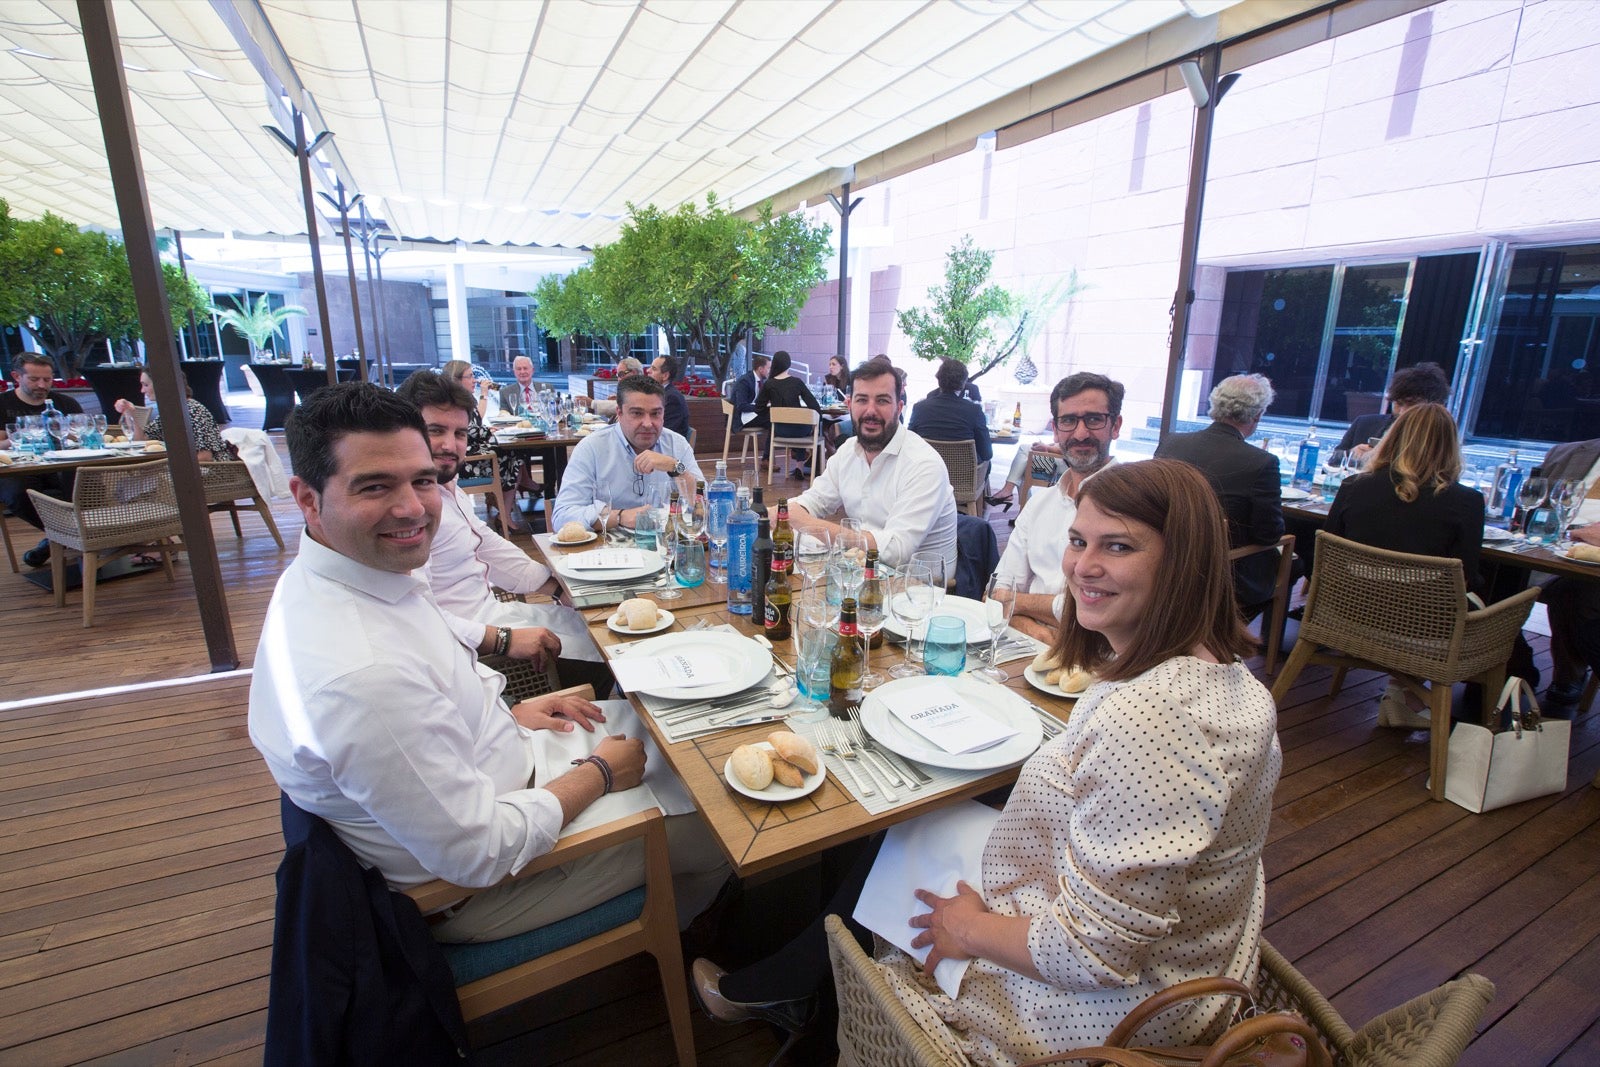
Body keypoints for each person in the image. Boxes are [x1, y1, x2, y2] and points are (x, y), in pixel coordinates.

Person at [693, 460, 1280, 1066]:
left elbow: (1096, 954)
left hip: (1109, 1015)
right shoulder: (1226, 678)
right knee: (903, 823)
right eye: (1078, 541)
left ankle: (812, 1003)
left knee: (894, 840)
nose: (1083, 567)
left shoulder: (1155, 718)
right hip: (1181, 944)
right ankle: (798, 985)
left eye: (1119, 547)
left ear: (1182, 562)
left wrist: (965, 928)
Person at [248, 382, 727, 943]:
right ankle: (677, 944)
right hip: (484, 886)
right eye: (374, 486)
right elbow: (478, 854)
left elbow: (424, 723)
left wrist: (511, 714)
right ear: (307, 498)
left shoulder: (356, 580)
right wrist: (599, 774)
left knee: (675, 721)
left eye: (422, 480)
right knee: (720, 815)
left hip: (503, 766)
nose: (411, 508)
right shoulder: (362, 677)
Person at [396, 371, 607, 678]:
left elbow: (489, 548)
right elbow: (417, 615)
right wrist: (502, 639)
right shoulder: (408, 513)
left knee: (594, 623)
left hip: (493, 612)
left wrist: (556, 588)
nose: (449, 445)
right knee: (602, 651)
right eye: (435, 431)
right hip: (472, 648)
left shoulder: (448, 487)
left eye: (458, 434)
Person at [1324, 403, 1488, 728]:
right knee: (1458, 600)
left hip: (1348, 612)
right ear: (1451, 446)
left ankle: (1402, 697)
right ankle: (1413, 697)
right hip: (1423, 626)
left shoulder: (1354, 486)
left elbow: (1329, 556)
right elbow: (1466, 578)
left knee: (1412, 592)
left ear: (1393, 437)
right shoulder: (1466, 501)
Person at [787, 361, 957, 573]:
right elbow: (814, 501)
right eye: (862, 400)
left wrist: (809, 525)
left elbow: (896, 550)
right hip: (861, 574)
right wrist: (772, 514)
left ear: (899, 408)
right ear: (849, 405)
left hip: (917, 589)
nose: (870, 411)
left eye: (882, 401)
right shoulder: (849, 450)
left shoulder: (923, 464)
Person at [993, 372, 1122, 641]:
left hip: (1097, 661)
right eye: (1069, 421)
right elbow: (997, 595)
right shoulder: (1039, 502)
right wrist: (1038, 632)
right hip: (1025, 642)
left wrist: (1019, 604)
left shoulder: (1132, 507)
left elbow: (1105, 613)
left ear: (1116, 426)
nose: (1081, 433)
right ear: (1055, 429)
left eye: (1094, 419)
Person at [1155, 373, 1286, 615]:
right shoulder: (1262, 462)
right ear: (1258, 414)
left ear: (1214, 404)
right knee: (1292, 561)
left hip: (1167, 562)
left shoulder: (1171, 443)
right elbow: (1268, 534)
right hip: (1222, 574)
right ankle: (1262, 643)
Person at [550, 375, 703, 532]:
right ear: (619, 413)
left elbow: (704, 506)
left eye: (656, 414)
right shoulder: (591, 448)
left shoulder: (676, 444)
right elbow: (562, 517)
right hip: (607, 550)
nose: (648, 423)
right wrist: (619, 517)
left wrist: (675, 467)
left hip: (665, 547)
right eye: (637, 413)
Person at [0, 354, 85, 566]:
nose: (42, 385)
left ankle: (59, 539)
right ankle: (69, 536)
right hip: (19, 469)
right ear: (16, 376)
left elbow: (81, 436)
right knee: (18, 492)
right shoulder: (3, 404)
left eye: (47, 380)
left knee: (88, 483)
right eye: (34, 379)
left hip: (62, 464)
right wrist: (21, 438)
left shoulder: (65, 403)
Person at [1334, 361, 1451, 462]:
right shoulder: (1364, 424)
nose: (1402, 411)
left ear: (1433, 406)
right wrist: (1350, 455)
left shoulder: (1439, 440)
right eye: (1398, 403)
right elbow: (1331, 462)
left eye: (1412, 405)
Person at [113, 370, 235, 460]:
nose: (142, 390)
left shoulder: (192, 410)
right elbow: (141, 440)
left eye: (146, 385)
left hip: (213, 474)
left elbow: (204, 457)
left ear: (162, 384)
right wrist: (129, 411)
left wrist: (168, 469)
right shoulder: (171, 411)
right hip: (191, 471)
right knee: (132, 487)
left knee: (137, 486)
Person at [908, 358, 992, 465]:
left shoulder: (919, 408)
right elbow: (987, 454)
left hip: (927, 473)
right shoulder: (974, 411)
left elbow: (910, 444)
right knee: (988, 463)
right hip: (964, 477)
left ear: (938, 379)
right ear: (963, 383)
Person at [754, 350, 824, 478]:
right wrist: (818, 421)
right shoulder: (797, 382)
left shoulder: (768, 384)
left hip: (780, 430)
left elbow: (758, 408)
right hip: (800, 431)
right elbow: (814, 405)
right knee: (804, 421)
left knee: (796, 422)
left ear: (774, 364)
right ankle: (800, 467)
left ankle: (795, 459)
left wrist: (772, 416)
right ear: (789, 365)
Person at [648, 354, 691, 439]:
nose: (648, 371)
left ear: (665, 376)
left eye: (653, 369)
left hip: (667, 448)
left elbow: (663, 432)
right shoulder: (661, 394)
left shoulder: (672, 398)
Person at [730, 352, 771, 429]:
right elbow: (741, 406)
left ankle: (770, 441)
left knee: (774, 418)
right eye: (768, 368)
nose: (770, 371)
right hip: (741, 418)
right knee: (772, 420)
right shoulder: (744, 381)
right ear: (760, 369)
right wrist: (761, 407)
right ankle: (772, 441)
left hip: (752, 414)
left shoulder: (761, 381)